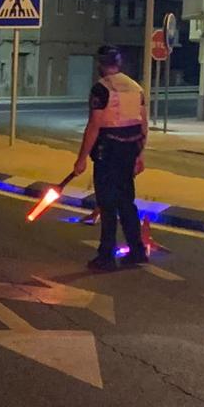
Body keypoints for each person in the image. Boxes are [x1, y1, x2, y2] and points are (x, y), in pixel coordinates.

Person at [73, 45, 149, 272]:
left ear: (100, 64)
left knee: (107, 204)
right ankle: (137, 251)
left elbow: (94, 126)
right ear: (119, 63)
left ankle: (106, 257)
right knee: (126, 202)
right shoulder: (136, 88)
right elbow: (142, 124)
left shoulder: (101, 89)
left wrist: (81, 159)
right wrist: (140, 154)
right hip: (129, 150)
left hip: (108, 151)